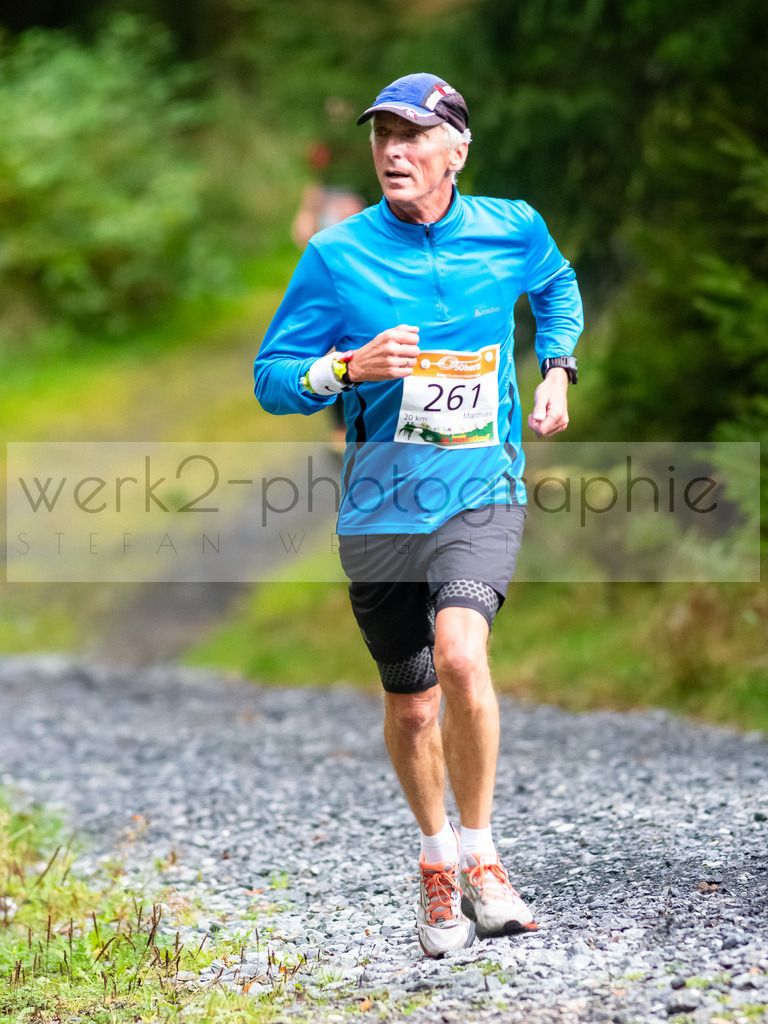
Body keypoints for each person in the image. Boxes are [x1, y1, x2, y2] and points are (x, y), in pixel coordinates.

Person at [254, 73, 583, 958]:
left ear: (456, 149)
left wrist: (556, 367)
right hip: (377, 513)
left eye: (413, 136)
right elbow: (271, 378)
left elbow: (557, 286)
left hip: (480, 489)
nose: (394, 152)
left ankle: (483, 858)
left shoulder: (512, 228)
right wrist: (346, 371)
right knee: (411, 707)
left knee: (461, 654)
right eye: (382, 137)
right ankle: (435, 861)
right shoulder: (335, 255)